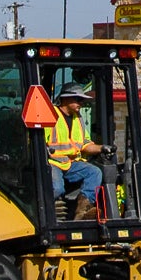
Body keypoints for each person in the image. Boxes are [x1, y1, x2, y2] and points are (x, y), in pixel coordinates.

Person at [44, 86, 104, 215]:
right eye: (78, 99)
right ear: (66, 99)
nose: (81, 103)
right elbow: (39, 141)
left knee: (95, 172)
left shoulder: (78, 118)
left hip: (71, 164)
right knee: (57, 189)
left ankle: (83, 210)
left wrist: (102, 148)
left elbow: (85, 144)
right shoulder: (51, 115)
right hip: (53, 162)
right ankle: (50, 214)